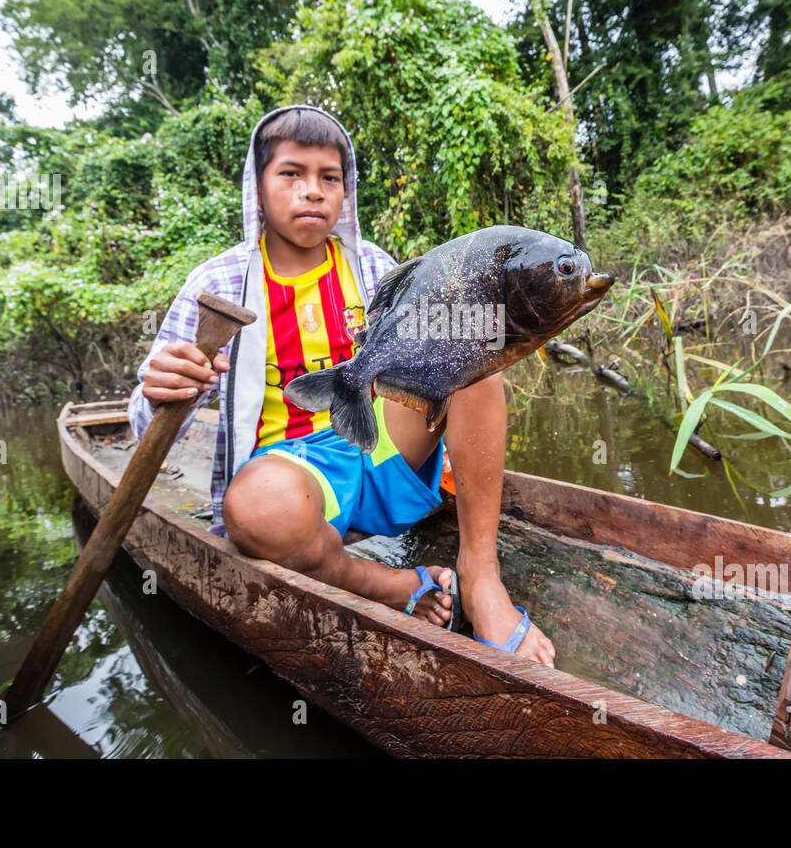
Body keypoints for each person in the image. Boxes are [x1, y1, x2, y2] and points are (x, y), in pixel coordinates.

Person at [127, 105, 555, 666]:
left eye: (329, 178)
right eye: (291, 174)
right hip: (287, 479)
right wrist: (164, 389)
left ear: (345, 192)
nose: (312, 191)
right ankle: (388, 584)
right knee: (259, 510)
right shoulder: (218, 283)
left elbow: (433, 364)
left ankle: (480, 574)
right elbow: (144, 426)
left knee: (471, 353)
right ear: (257, 188)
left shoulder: (375, 268)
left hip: (374, 448)